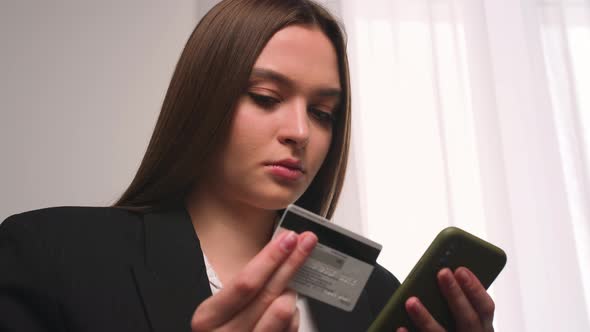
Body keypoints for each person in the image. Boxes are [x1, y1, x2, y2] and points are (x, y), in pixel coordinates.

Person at [0, 0, 496, 331]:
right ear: (202, 100)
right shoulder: (49, 254)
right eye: (265, 97)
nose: (300, 132)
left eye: (323, 112)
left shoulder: (376, 296)